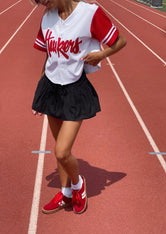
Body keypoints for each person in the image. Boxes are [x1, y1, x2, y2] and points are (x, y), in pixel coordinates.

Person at [31, 0, 127, 215]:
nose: (42, 3)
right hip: (51, 87)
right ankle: (65, 194)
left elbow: (120, 41)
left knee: (62, 151)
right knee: (58, 150)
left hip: (75, 89)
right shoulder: (47, 17)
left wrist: (101, 55)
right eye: (37, 0)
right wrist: (40, 93)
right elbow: (49, 57)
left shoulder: (90, 13)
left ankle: (77, 185)